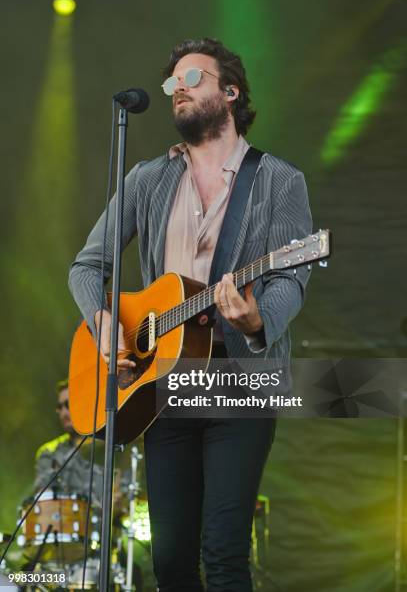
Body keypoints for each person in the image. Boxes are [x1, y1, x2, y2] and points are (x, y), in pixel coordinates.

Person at [69, 37, 312, 591]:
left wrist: (256, 321)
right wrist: (105, 324)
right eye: (171, 82)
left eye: (192, 78)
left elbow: (289, 278)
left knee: (223, 552)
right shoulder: (148, 179)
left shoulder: (278, 180)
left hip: (238, 382)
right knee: (171, 560)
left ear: (230, 92)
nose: (177, 89)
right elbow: (87, 267)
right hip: (164, 387)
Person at [34, 379, 104, 505]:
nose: (63, 413)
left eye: (69, 404)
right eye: (59, 407)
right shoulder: (49, 452)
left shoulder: (110, 444)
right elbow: (44, 501)